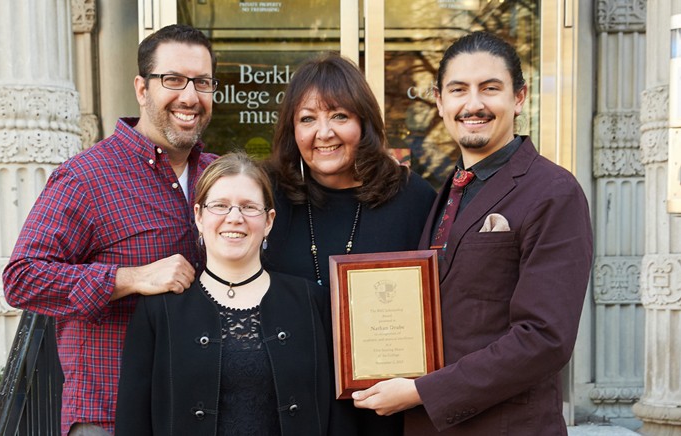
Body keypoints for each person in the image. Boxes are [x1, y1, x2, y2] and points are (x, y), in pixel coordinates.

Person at [351, 31, 594, 435]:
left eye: (490, 88)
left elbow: (545, 338)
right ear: (440, 100)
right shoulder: (451, 188)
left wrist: (423, 391)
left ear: (519, 97)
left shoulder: (553, 191)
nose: (473, 104)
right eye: (459, 90)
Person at [2, 24, 218, 435]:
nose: (190, 96)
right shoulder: (86, 176)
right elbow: (21, 278)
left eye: (203, 82)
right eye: (172, 80)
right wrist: (131, 278)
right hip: (110, 414)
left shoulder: (218, 175)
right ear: (142, 88)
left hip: (202, 410)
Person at [263, 53, 437, 435]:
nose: (323, 133)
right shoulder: (267, 195)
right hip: (284, 405)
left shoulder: (413, 198)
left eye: (339, 116)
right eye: (307, 119)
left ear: (364, 123)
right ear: (292, 130)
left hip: (382, 411)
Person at [115, 152, 349, 435]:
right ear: (199, 217)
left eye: (249, 207)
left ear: (269, 221)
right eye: (220, 206)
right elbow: (133, 421)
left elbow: (339, 418)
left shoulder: (311, 302)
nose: (234, 218)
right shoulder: (159, 310)